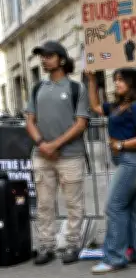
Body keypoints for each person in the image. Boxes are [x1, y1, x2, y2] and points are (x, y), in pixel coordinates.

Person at [86, 69, 136, 274]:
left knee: (114, 207)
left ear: (132, 83)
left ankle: (114, 257)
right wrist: (91, 81)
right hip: (128, 161)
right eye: (115, 79)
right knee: (135, 207)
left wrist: (122, 145)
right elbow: (96, 107)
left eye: (121, 80)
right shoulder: (118, 106)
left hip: (132, 162)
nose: (116, 83)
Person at [25, 41, 89, 265]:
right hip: (41, 155)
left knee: (74, 203)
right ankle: (46, 246)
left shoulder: (76, 88)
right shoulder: (37, 88)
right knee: (44, 203)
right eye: (42, 56)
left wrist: (55, 145)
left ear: (61, 60)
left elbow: (81, 123)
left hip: (70, 155)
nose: (44, 60)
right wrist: (43, 144)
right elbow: (29, 120)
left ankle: (72, 244)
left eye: (49, 56)